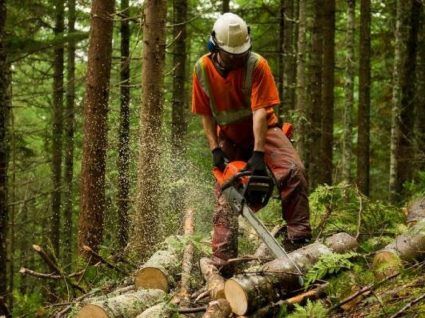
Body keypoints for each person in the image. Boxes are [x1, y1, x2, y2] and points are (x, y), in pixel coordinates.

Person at [191, 12, 312, 268]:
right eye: (232, 55)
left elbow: (259, 112)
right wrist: (215, 148)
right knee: (226, 191)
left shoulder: (257, 65)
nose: (237, 58)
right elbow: (205, 113)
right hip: (229, 134)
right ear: (215, 47)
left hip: (264, 129)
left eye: (240, 54)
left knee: (294, 171)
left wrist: (258, 154)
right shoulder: (202, 68)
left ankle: (298, 240)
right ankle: (223, 260)